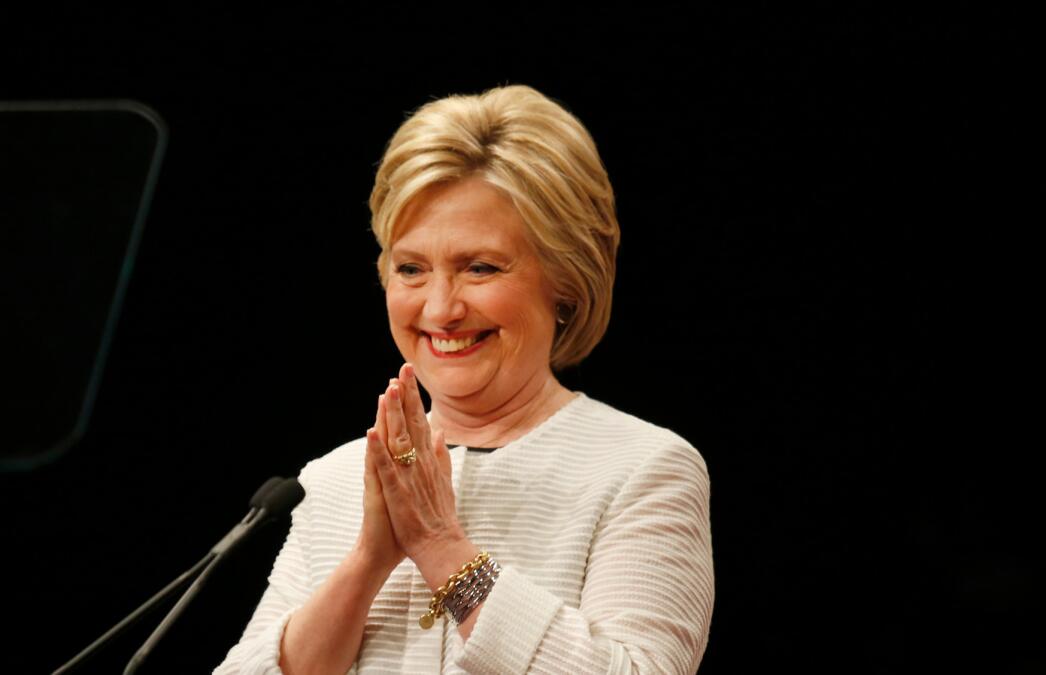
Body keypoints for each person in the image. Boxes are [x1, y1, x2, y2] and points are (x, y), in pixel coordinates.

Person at [215, 84, 714, 674]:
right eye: (411, 269)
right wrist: (368, 562)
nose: (440, 308)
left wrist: (439, 546)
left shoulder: (641, 468)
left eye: (480, 267)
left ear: (566, 280)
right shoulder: (335, 480)